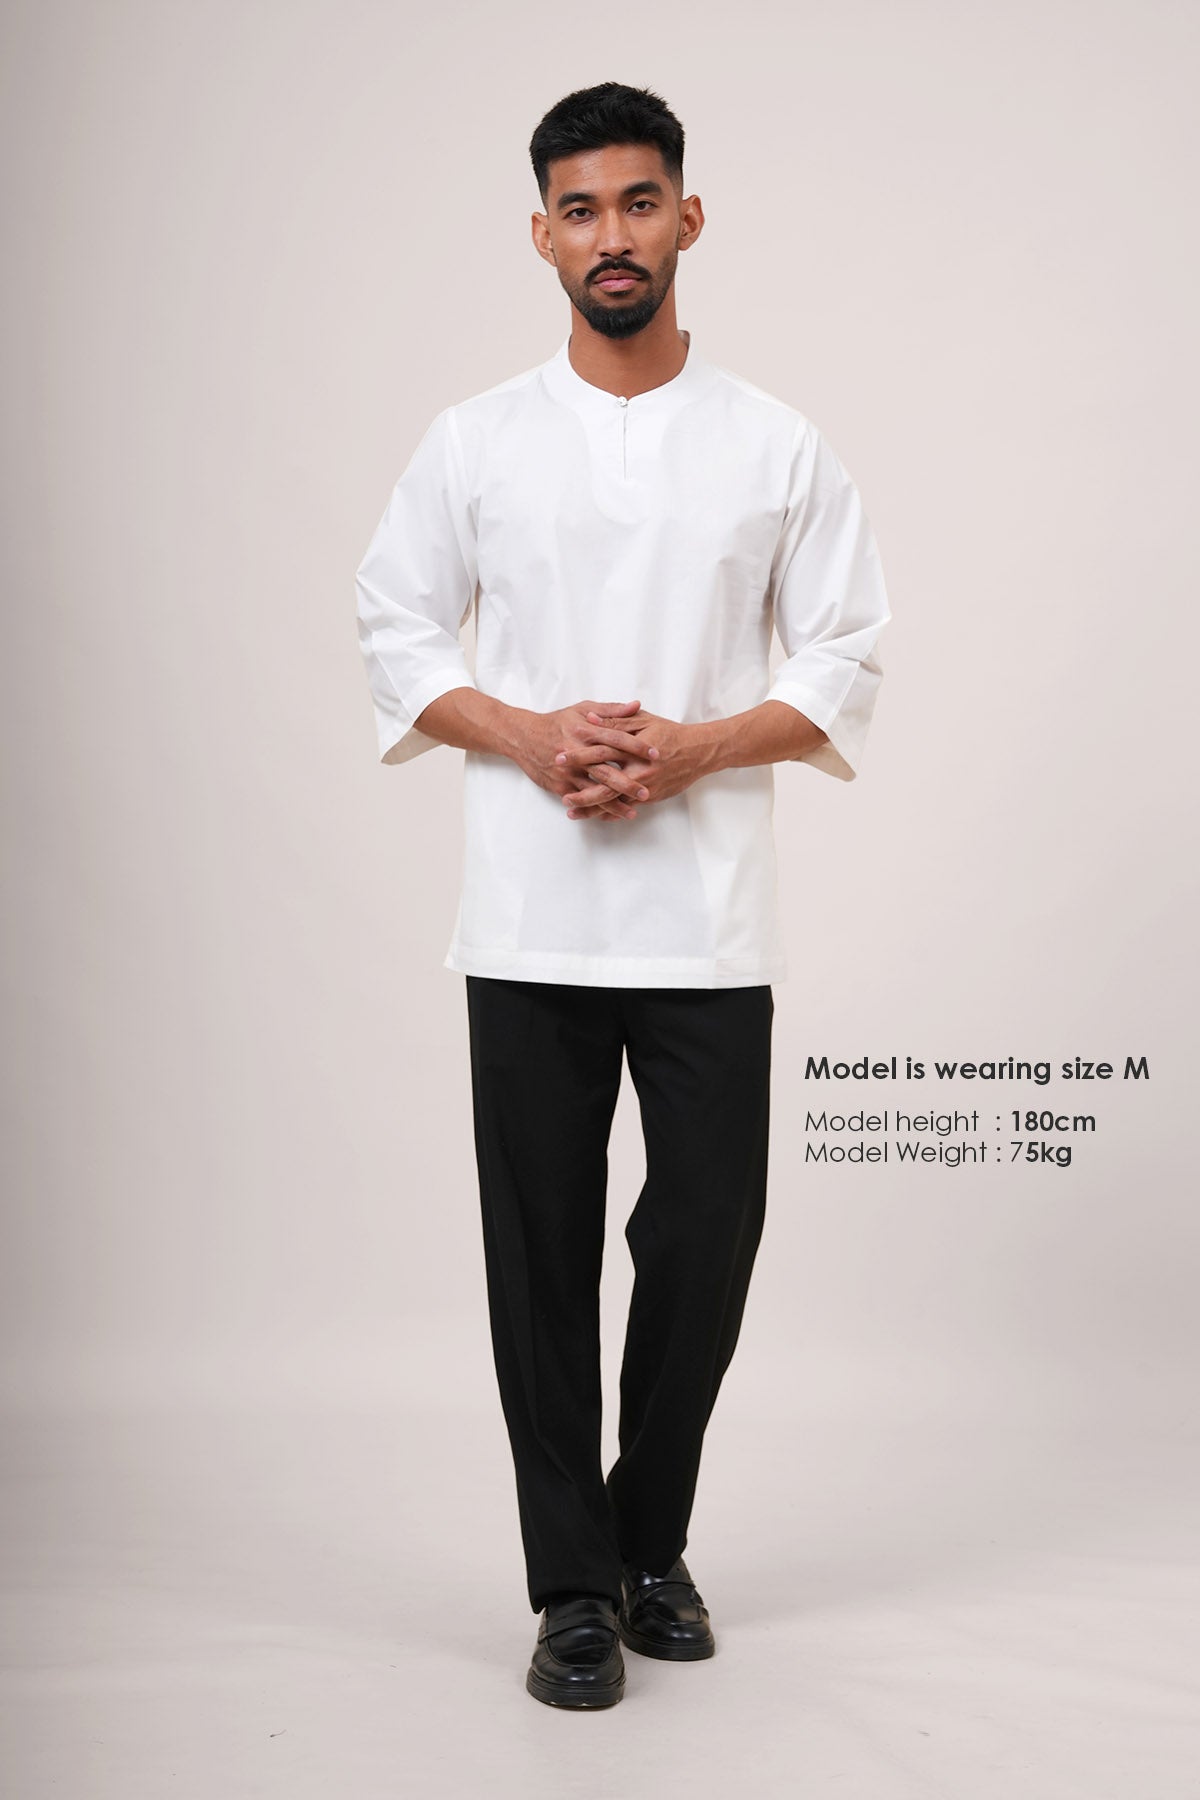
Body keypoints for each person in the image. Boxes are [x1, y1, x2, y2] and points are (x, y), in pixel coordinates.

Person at [355, 81, 891, 1709]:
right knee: (540, 1262)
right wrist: (529, 735)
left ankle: (653, 1542)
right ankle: (574, 1589)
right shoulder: (476, 441)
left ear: (688, 219)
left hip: (711, 919)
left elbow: (846, 654)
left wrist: (694, 749)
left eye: (640, 202)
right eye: (581, 209)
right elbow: (396, 628)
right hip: (528, 916)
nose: (613, 235)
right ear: (541, 236)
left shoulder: (776, 443)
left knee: (705, 1241)